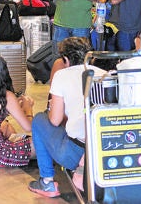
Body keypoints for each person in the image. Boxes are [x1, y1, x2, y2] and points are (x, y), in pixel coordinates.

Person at [28, 37, 106, 198]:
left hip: (74, 153)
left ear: (65, 59)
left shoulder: (62, 76)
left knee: (39, 120)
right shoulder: (103, 74)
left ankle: (47, 181)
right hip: (103, 151)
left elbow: (55, 120)